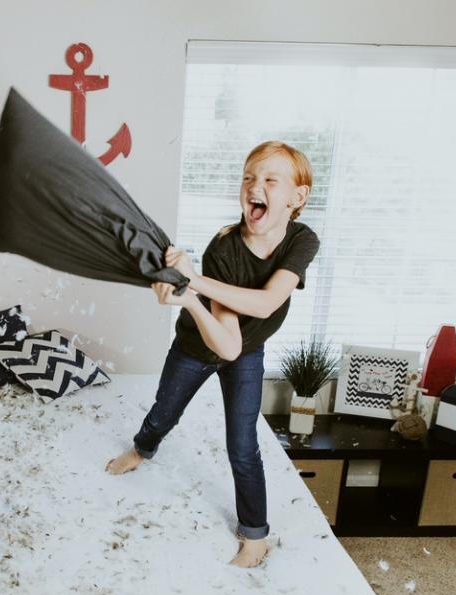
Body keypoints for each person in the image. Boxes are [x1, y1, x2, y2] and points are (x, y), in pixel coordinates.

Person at [107, 141, 320, 568]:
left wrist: (194, 281)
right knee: (164, 412)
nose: (254, 186)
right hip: (199, 344)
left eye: (270, 180)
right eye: (248, 177)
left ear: (297, 197)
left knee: (243, 444)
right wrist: (188, 298)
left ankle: (255, 534)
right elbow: (225, 341)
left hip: (247, 350)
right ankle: (142, 449)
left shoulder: (302, 240)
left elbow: (265, 305)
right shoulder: (223, 248)